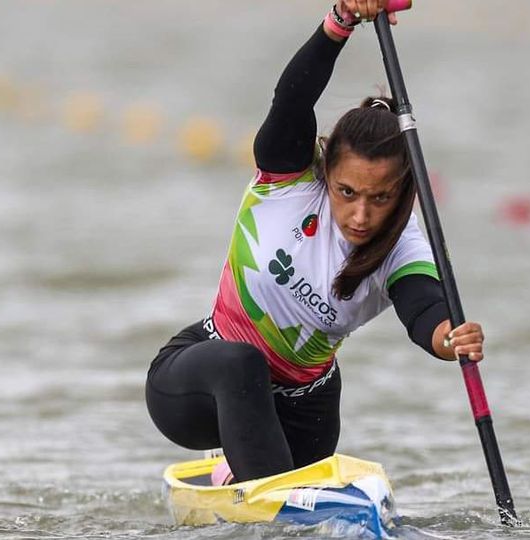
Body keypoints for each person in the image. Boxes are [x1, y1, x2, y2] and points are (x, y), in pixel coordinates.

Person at [145, 0, 485, 485]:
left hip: (309, 406)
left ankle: (240, 478)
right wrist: (341, 21)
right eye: (347, 192)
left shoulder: (404, 248)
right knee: (242, 363)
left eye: (381, 197)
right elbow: (291, 99)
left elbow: (425, 311)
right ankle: (258, 487)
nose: (361, 215)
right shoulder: (288, 179)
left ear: (405, 192)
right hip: (204, 377)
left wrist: (451, 338)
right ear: (326, 173)